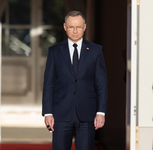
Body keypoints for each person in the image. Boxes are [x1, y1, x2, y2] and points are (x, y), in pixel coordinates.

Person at [42, 10, 108, 150]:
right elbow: (48, 84)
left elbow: (101, 84)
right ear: (65, 27)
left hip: (87, 113)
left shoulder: (96, 51)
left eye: (78, 27)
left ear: (84, 27)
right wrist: (48, 112)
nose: (75, 31)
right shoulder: (55, 51)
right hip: (60, 114)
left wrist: (100, 112)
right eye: (71, 27)